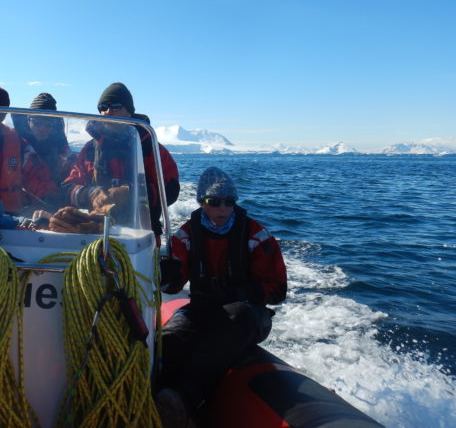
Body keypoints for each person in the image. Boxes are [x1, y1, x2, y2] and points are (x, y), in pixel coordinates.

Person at [156, 167, 287, 426]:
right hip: (203, 309)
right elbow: (173, 287)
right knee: (169, 342)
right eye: (214, 202)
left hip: (249, 315)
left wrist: (238, 293)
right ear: (202, 203)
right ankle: (156, 396)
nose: (222, 208)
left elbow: (277, 290)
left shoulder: (255, 236)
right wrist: (166, 274)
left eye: (229, 202)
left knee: (231, 320)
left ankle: (184, 402)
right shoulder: (185, 236)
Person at [62, 82, 179, 236]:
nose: (108, 112)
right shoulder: (90, 149)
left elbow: (170, 190)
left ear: (129, 113)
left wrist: (131, 193)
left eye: (115, 106)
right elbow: (68, 188)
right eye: (103, 107)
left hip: (142, 236)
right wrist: (90, 193)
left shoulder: (149, 147)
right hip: (97, 232)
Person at [14, 92, 76, 208]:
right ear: (28, 121)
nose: (42, 128)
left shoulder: (61, 148)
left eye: (48, 124)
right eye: (37, 123)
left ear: (54, 125)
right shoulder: (16, 145)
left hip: (55, 205)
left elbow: (75, 172)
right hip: (21, 207)